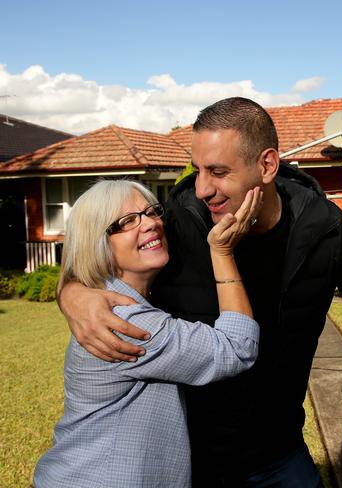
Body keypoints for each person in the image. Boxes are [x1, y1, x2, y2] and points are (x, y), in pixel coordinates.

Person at [58, 97, 342, 486]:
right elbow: (105, 254)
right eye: (198, 170)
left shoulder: (320, 222)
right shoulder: (178, 223)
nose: (203, 188)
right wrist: (72, 294)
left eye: (218, 172)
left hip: (280, 448)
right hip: (196, 457)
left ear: (267, 165)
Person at [35, 180, 261, 487]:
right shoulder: (125, 321)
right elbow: (236, 348)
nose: (151, 224)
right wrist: (222, 252)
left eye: (151, 212)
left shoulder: (119, 299)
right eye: (127, 221)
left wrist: (69, 291)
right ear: (96, 243)